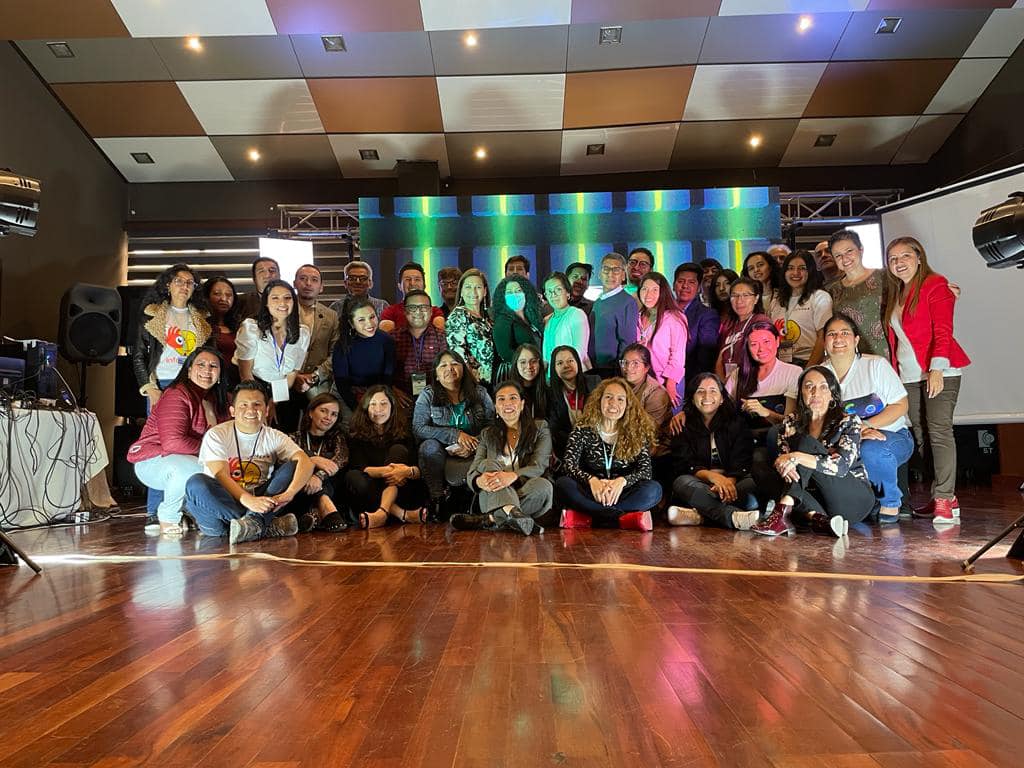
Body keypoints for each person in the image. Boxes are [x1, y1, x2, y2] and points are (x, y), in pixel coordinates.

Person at [884, 237, 971, 524]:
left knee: (940, 432)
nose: (899, 262)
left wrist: (936, 369)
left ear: (919, 257)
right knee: (921, 437)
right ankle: (941, 496)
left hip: (939, 370)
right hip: (909, 375)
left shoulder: (935, 283)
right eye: (893, 258)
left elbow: (944, 330)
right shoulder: (897, 291)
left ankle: (945, 498)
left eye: (905, 256)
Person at [751, 367, 876, 537]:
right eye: (809, 386)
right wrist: (782, 463)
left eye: (823, 387)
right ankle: (818, 519)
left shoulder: (849, 421)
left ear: (832, 394)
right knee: (760, 464)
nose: (815, 392)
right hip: (816, 499)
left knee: (806, 444)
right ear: (801, 393)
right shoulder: (791, 422)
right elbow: (788, 472)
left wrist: (797, 456)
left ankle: (782, 512)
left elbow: (840, 467)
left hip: (852, 499)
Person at [185, 380, 314, 544]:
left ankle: (253, 525)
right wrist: (248, 500)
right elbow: (220, 474)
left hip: (261, 501)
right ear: (232, 411)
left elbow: (306, 462)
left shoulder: (274, 436)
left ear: (267, 410)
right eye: (243, 405)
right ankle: (263, 524)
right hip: (224, 507)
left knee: (294, 466)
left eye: (257, 405)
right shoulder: (216, 434)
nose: (251, 410)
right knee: (196, 483)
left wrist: (289, 494)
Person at [820, 313, 914, 525]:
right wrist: (854, 432)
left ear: (856, 340)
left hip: (891, 436)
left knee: (870, 448)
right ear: (824, 341)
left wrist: (866, 426)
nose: (838, 338)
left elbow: (901, 405)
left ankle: (890, 501)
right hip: (842, 440)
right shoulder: (818, 374)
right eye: (832, 334)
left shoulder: (875, 366)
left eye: (845, 333)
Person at [128, 347, 230, 535]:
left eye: (213, 366)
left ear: (220, 374)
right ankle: (168, 515)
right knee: (195, 469)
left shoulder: (219, 401)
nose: (207, 370)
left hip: (192, 459)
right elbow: (173, 443)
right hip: (154, 460)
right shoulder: (177, 393)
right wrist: (214, 454)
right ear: (189, 369)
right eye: (201, 364)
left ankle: (200, 514)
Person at [554, 378, 661, 531]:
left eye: (620, 399)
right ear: (599, 400)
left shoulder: (636, 432)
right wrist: (592, 480)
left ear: (627, 405)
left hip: (623, 493)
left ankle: (592, 518)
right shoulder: (583, 428)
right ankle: (621, 519)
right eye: (608, 397)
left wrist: (622, 481)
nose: (613, 403)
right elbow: (568, 465)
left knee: (654, 490)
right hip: (591, 492)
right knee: (562, 485)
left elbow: (645, 471)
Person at [454, 381, 554, 535]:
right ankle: (512, 513)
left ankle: (490, 519)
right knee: (487, 463)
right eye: (501, 399)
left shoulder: (540, 428)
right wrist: (478, 481)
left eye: (513, 398)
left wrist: (512, 476)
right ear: (495, 406)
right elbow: (473, 470)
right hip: (491, 491)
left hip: (527, 489)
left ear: (522, 404)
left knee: (545, 486)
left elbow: (539, 465)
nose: (507, 403)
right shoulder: (487, 434)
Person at [666, 373, 759, 531]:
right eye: (700, 391)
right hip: (700, 482)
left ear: (722, 398)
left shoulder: (736, 422)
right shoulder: (682, 424)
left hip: (733, 481)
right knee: (681, 483)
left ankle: (700, 516)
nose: (706, 396)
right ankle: (732, 516)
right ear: (692, 397)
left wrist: (727, 483)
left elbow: (742, 459)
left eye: (713, 391)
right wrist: (713, 477)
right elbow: (685, 463)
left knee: (751, 494)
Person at [413, 350, 495, 518]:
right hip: (442, 450)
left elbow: (492, 426)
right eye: (443, 365)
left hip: (476, 447)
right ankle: (438, 499)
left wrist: (474, 445)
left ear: (463, 369)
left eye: (455, 364)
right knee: (428, 447)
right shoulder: (428, 395)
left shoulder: (480, 393)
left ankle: (478, 500)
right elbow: (419, 428)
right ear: (436, 375)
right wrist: (455, 435)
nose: (449, 368)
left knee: (492, 443)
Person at [345, 386, 428, 528]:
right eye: (373, 404)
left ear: (392, 406)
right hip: (372, 492)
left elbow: (419, 468)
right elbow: (361, 468)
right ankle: (402, 514)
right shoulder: (356, 434)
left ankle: (381, 514)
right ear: (365, 408)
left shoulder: (405, 431)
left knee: (398, 450)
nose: (378, 409)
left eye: (383, 404)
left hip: (403, 489)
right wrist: (392, 471)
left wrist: (405, 472)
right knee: (353, 476)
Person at [234, 279, 311, 430]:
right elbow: (245, 374)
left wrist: (273, 401)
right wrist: (261, 402)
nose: (282, 303)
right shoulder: (251, 328)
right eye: (275, 298)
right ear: (266, 303)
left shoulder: (302, 333)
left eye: (287, 298)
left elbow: (291, 376)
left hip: (282, 392)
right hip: (254, 389)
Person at [133, 263, 211, 409]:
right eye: (179, 281)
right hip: (161, 383)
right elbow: (139, 355)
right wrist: (150, 388)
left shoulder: (203, 318)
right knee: (162, 431)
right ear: (168, 285)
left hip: (193, 383)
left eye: (189, 283)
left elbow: (209, 355)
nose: (184, 286)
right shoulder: (151, 315)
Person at [815, 229, 888, 360]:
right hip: (852, 358)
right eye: (838, 255)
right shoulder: (833, 290)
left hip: (886, 354)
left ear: (861, 250)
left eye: (849, 251)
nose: (845, 258)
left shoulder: (884, 277)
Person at [290, 393, 350, 532]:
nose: (328, 417)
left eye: (334, 414)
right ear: (311, 412)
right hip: (302, 491)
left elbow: (339, 461)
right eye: (323, 411)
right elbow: (286, 459)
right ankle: (323, 509)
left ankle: (316, 514)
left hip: (333, 489)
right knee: (299, 462)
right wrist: (311, 459)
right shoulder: (295, 437)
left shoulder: (337, 437)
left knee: (332, 466)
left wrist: (318, 476)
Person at [727, 320, 800, 433]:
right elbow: (724, 409)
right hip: (743, 441)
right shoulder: (737, 374)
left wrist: (766, 412)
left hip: (777, 441)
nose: (761, 349)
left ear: (777, 341)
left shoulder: (793, 372)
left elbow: (791, 423)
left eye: (766, 342)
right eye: (754, 344)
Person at [331, 298, 395, 413]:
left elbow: (388, 377)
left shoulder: (386, 340)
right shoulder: (343, 345)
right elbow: (342, 384)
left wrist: (379, 402)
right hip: (349, 394)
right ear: (352, 323)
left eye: (372, 317)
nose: (369, 324)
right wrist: (358, 410)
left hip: (379, 393)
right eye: (361, 320)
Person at [770, 251, 832, 366]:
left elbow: (823, 337)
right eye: (790, 268)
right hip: (782, 365)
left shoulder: (819, 297)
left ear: (811, 271)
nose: (795, 273)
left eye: (802, 268)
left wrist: (808, 370)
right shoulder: (777, 300)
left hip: (808, 361)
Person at [636, 272, 688, 407]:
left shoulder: (674, 317)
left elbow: (678, 356)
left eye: (654, 290)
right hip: (644, 381)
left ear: (663, 292)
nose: (648, 294)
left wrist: (670, 384)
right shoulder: (638, 316)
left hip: (668, 382)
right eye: (644, 289)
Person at [292, 264, 340, 399]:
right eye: (303, 278)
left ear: (321, 287)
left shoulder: (331, 316)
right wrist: (293, 376)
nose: (308, 283)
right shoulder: (283, 311)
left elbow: (335, 353)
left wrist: (315, 375)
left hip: (317, 382)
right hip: (285, 381)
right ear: (294, 283)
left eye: (314, 280)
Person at [393, 289, 448, 404]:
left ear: (431, 311)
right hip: (401, 398)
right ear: (404, 311)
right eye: (412, 307)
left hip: (435, 398)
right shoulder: (392, 338)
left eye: (423, 307)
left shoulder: (442, 337)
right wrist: (393, 390)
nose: (418, 312)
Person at [589, 252, 639, 377]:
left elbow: (628, 343)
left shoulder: (627, 302)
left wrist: (620, 372)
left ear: (623, 275)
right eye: (606, 269)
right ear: (600, 274)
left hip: (611, 371)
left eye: (616, 270)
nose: (610, 274)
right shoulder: (598, 302)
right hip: (592, 368)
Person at [444, 268, 496, 385]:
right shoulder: (458, 315)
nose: (473, 292)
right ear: (461, 291)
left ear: (485, 291)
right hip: (472, 384)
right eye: (468, 287)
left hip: (492, 382)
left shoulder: (488, 318)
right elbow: (457, 354)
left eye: (478, 287)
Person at [715, 277, 771, 380]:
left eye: (746, 295)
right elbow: (720, 357)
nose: (739, 300)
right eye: (735, 295)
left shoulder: (760, 322)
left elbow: (763, 358)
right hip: (727, 383)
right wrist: (724, 384)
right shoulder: (729, 324)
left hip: (751, 382)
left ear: (756, 299)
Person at [673, 262, 719, 378]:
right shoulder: (664, 312)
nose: (685, 286)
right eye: (681, 281)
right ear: (673, 285)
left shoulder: (707, 315)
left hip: (690, 380)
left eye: (691, 282)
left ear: (698, 288)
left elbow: (705, 358)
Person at [492, 274, 544, 373]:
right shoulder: (503, 320)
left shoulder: (532, 317)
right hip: (519, 374)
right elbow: (506, 353)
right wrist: (533, 364)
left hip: (537, 373)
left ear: (526, 293)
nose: (514, 295)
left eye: (518, 291)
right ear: (503, 297)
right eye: (509, 292)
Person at [619, 344, 672, 439]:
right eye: (625, 362)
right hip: (624, 435)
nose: (628, 368)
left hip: (652, 444)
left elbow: (648, 431)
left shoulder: (657, 393)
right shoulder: (619, 384)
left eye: (635, 363)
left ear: (646, 367)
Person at [541, 272, 591, 373]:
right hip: (553, 378)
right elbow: (546, 357)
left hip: (574, 374)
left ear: (567, 293)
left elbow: (579, 353)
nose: (553, 295)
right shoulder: (547, 320)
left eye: (558, 290)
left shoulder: (576, 314)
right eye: (549, 291)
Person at [379, 262, 445, 333]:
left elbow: (440, 337)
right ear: (399, 286)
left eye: (417, 279)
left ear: (424, 285)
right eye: (407, 279)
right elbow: (386, 340)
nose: (412, 283)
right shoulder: (390, 312)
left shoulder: (435, 312)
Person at [202, 276, 240, 387]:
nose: (223, 298)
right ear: (207, 297)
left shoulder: (241, 326)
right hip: (210, 383)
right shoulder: (200, 326)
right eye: (217, 294)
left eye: (229, 295)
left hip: (237, 385)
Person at [508, 343, 549, 418]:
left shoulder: (548, 392)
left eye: (533, 361)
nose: (529, 366)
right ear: (515, 364)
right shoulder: (507, 393)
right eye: (523, 362)